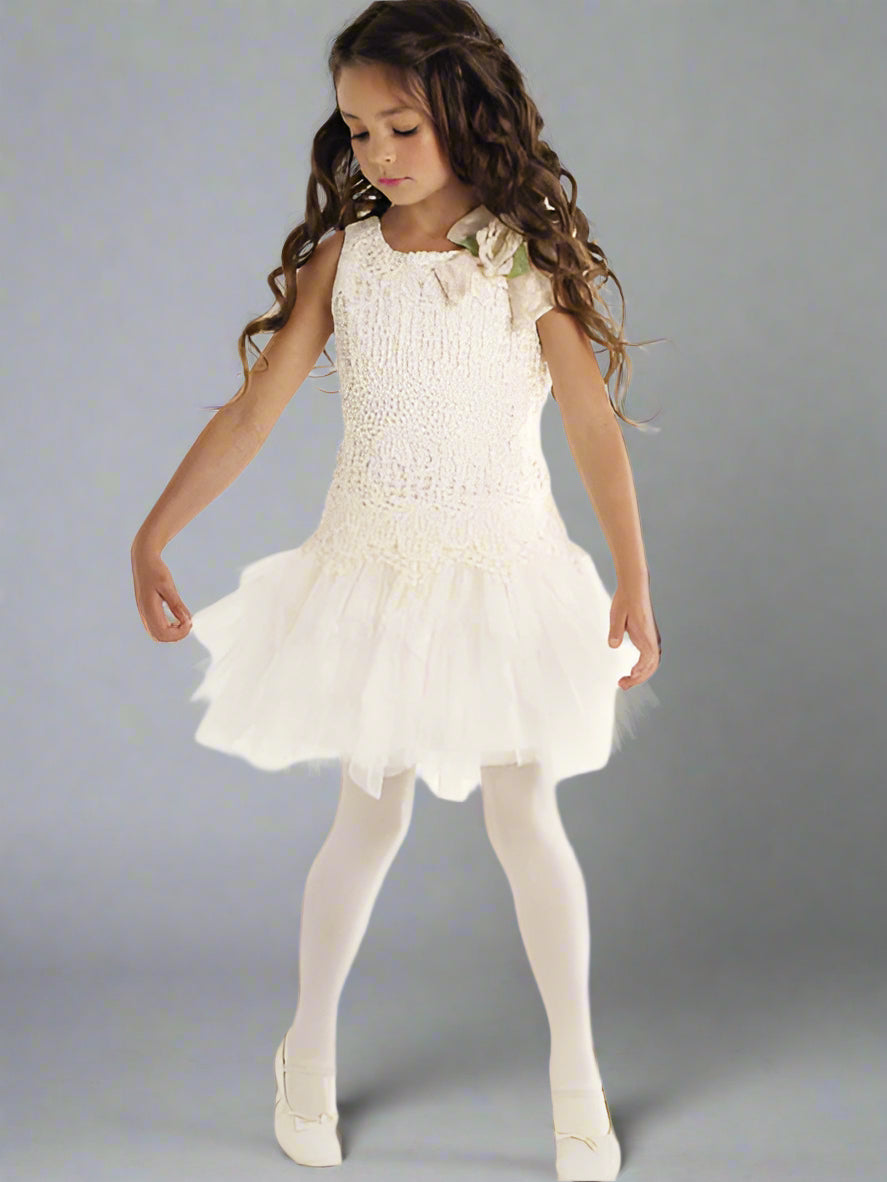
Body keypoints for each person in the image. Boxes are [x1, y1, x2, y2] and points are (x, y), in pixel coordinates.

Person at [130, 2, 664, 1178]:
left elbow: (588, 425)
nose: (375, 153)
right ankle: (305, 1055)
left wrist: (630, 579)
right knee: (366, 821)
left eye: (401, 126)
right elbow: (253, 410)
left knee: (526, 820)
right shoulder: (346, 261)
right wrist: (154, 533)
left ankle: (575, 1079)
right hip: (371, 577)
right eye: (356, 129)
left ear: (465, 119)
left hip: (501, 578)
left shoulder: (519, 261)